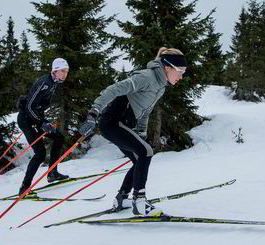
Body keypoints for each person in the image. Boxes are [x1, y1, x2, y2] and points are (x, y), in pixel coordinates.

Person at [79, 47, 187, 216]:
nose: (181, 76)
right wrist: (94, 111)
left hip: (123, 125)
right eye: (180, 71)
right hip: (112, 122)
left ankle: (122, 198)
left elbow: (145, 111)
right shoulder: (147, 77)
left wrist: (141, 134)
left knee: (140, 158)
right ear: (168, 67)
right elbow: (114, 89)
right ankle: (140, 202)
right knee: (146, 152)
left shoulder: (161, 87)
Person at [17, 58, 70, 195]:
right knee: (40, 154)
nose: (65, 74)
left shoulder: (53, 82)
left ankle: (52, 173)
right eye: (62, 71)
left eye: (66, 71)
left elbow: (37, 106)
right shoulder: (45, 83)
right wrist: (41, 123)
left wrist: (43, 121)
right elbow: (29, 106)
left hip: (36, 118)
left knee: (59, 138)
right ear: (55, 71)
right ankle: (24, 187)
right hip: (26, 119)